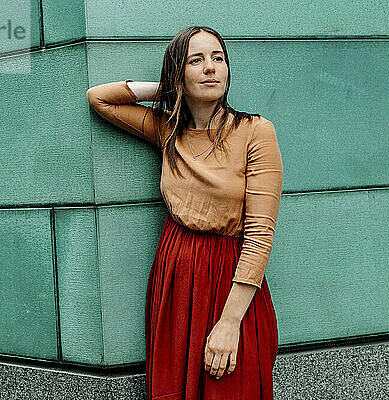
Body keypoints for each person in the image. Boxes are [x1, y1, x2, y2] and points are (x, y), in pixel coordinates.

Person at [87, 25, 283, 400]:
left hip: (230, 281)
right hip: (176, 278)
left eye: (218, 58)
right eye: (197, 60)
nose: (211, 68)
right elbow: (100, 99)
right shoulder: (169, 131)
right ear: (179, 72)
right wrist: (168, 88)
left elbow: (260, 235)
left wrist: (229, 324)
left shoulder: (255, 132)